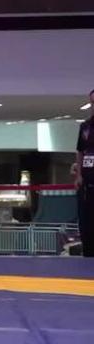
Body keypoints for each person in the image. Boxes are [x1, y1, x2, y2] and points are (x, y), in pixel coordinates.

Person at [77, 89, 93, 257]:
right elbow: (80, 151)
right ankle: (88, 253)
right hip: (88, 182)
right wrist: (79, 174)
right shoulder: (85, 126)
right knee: (87, 220)